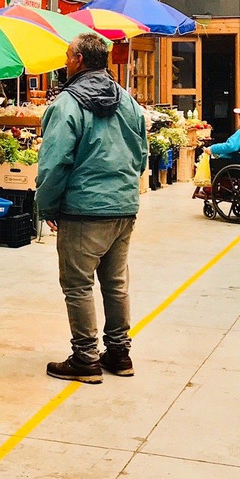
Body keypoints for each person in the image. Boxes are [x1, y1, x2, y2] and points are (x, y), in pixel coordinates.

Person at [35, 33, 147, 384]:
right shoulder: (127, 100)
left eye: (68, 56)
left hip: (83, 209)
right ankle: (119, 354)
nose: (65, 62)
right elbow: (142, 154)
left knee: (78, 284)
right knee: (115, 283)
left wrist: (46, 204)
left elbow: (54, 162)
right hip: (123, 206)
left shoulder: (68, 104)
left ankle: (85, 358)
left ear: (79, 61)